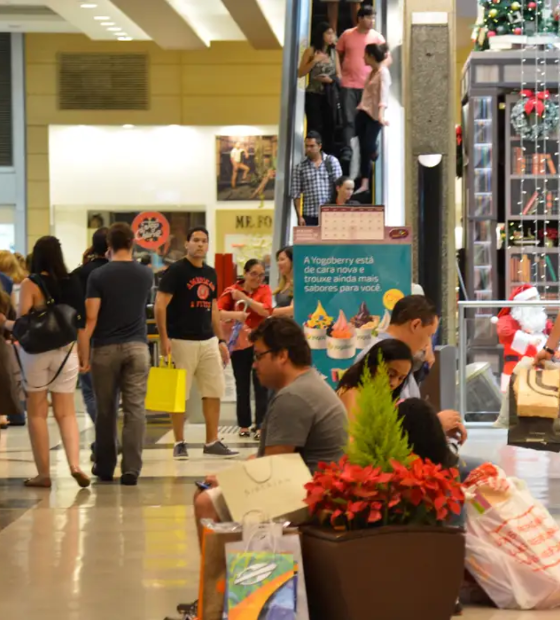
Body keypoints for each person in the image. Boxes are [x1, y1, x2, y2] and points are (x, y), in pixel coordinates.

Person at [193, 317, 347, 540]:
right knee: (213, 488)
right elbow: (274, 457)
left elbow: (271, 471)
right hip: (317, 490)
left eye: (259, 356)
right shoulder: (308, 384)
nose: (255, 364)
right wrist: (229, 476)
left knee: (206, 501)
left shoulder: (293, 397)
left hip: (312, 499)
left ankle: (218, 574)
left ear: (282, 355)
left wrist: (228, 481)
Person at [10, 236, 90, 488]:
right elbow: (81, 322)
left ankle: (44, 474)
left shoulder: (30, 284)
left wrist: (3, 322)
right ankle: (75, 465)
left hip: (36, 353)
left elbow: (23, 323)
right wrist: (84, 353)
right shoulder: (72, 282)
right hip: (66, 351)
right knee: (66, 412)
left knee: (37, 412)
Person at [155, 226, 238, 460]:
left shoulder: (211, 273)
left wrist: (221, 339)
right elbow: (160, 305)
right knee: (178, 394)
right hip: (180, 340)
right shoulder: (176, 271)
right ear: (187, 244)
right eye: (196, 240)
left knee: (213, 391)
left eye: (204, 241)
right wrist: (164, 339)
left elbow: (213, 309)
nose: (200, 244)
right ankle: (179, 442)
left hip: (208, 341)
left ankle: (212, 441)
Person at [80, 223, 153, 486]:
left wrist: (83, 352)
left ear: (108, 245)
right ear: (132, 242)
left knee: (106, 410)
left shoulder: (98, 276)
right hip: (137, 348)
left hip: (105, 349)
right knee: (135, 410)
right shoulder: (146, 274)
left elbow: (90, 318)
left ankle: (106, 466)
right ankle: (132, 468)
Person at [356, 295, 467, 444]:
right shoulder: (379, 355)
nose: (427, 344)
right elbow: (381, 422)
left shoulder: (397, 356)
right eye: (429, 335)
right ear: (415, 325)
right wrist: (435, 423)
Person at [218, 259, 272, 440]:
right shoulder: (231, 291)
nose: (257, 278)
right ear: (246, 273)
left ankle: (261, 425)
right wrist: (236, 314)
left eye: (261, 275)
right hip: (240, 344)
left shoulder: (264, 290)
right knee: (241, 385)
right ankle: (243, 424)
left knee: (261, 385)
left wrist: (244, 299)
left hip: (261, 344)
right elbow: (217, 313)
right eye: (253, 274)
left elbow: (266, 311)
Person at [337, 5, 386, 166]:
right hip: (349, 83)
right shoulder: (347, 35)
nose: (372, 21)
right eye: (368, 17)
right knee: (349, 119)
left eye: (373, 17)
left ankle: (370, 148)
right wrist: (338, 73)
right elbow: (338, 53)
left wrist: (379, 75)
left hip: (369, 86)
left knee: (369, 121)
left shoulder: (378, 38)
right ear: (359, 18)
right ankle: (348, 148)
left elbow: (386, 59)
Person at [72, 227, 109, 426]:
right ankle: (109, 436)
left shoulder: (79, 273)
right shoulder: (120, 272)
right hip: (115, 336)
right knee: (112, 394)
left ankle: (105, 437)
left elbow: (75, 310)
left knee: (90, 392)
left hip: (87, 337)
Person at [338, 339, 413, 421]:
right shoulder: (354, 396)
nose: (394, 383)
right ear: (372, 365)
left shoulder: (381, 397)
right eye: (390, 374)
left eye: (401, 378)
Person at [298, 22, 341, 156]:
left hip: (329, 94)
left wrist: (331, 80)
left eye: (332, 33)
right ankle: (313, 154)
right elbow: (300, 73)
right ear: (321, 35)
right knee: (315, 126)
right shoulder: (311, 51)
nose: (331, 36)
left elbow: (339, 75)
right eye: (328, 33)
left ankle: (328, 156)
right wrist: (314, 61)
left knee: (330, 126)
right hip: (313, 94)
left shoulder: (334, 53)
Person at [355, 43, 391, 194]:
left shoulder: (383, 73)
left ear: (370, 56)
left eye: (365, 55)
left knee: (367, 147)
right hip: (364, 112)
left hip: (374, 116)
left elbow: (383, 95)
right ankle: (364, 182)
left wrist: (381, 115)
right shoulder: (372, 73)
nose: (363, 57)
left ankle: (365, 181)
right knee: (362, 148)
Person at [291, 131, 342, 226]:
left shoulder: (331, 162)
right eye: (306, 146)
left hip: (330, 213)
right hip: (309, 216)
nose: (308, 149)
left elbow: (340, 188)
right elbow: (296, 194)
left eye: (312, 146)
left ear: (319, 146)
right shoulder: (300, 168)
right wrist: (300, 216)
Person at [272, 246, 294, 318]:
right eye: (278, 260)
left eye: (282, 259)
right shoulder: (283, 283)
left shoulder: (299, 284)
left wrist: (268, 311)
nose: (278, 263)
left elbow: (292, 310)